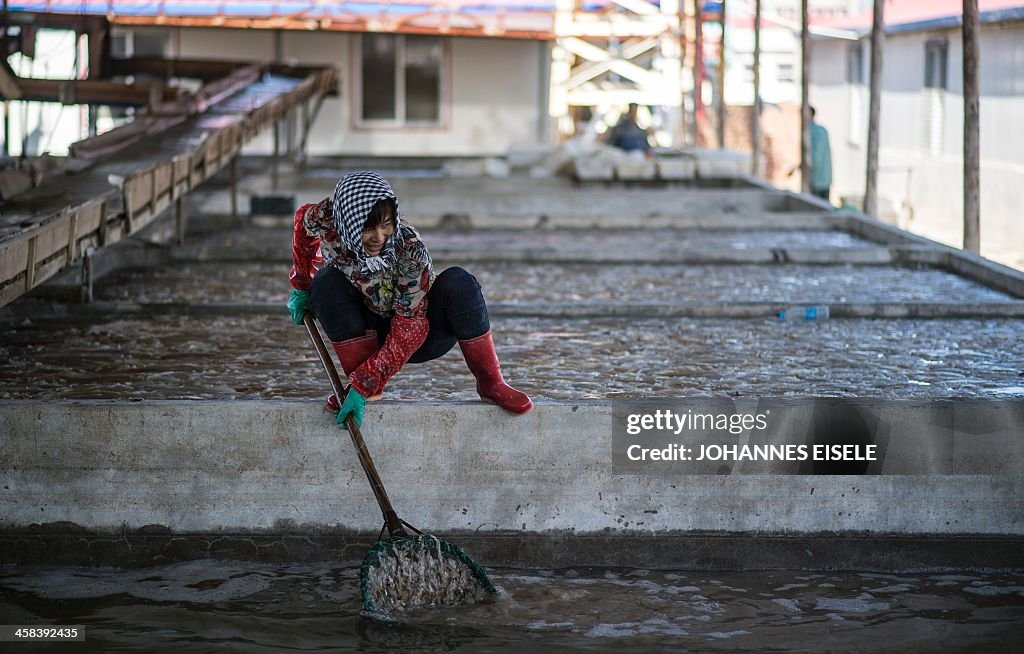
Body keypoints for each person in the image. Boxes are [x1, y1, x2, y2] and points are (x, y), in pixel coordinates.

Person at [286, 171, 532, 427]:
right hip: (367, 328)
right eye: (367, 228)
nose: (379, 238)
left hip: (419, 333)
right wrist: (303, 284)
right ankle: (368, 385)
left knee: (460, 282)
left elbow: (411, 327)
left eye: (386, 225)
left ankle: (491, 382)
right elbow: (302, 225)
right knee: (325, 282)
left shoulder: (409, 250)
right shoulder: (327, 216)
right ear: (347, 219)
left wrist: (364, 382)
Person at [809, 106, 833, 203]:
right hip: (819, 179)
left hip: (819, 179)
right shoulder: (814, 130)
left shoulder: (817, 132)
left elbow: (815, 157)